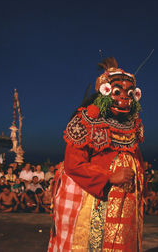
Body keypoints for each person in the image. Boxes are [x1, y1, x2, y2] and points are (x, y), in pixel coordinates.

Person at [48, 57, 145, 251]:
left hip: (127, 202)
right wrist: (110, 177)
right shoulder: (87, 121)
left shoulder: (132, 126)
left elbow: (137, 159)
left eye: (128, 93)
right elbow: (73, 164)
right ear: (105, 92)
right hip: (94, 198)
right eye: (117, 92)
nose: (123, 98)